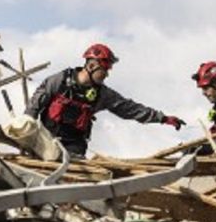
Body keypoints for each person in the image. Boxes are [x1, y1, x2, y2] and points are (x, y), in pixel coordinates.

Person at [26, 43, 185, 157]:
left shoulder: (102, 94)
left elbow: (129, 108)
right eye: (105, 70)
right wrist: (25, 129)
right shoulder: (59, 81)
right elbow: (34, 105)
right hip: (45, 143)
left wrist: (162, 118)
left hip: (74, 151)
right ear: (92, 65)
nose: (107, 75)